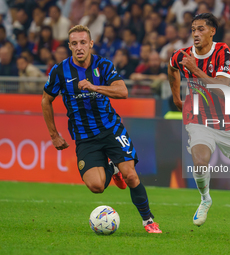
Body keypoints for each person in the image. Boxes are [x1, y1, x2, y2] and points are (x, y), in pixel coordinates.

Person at [41, 25, 162, 234]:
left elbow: (123, 91)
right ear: (69, 46)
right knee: (96, 187)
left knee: (131, 175)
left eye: (83, 42)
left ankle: (148, 220)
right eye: (74, 43)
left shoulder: (103, 65)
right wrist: (54, 134)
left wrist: (94, 87)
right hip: (85, 137)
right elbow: (46, 100)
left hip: (111, 129)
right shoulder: (59, 71)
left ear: (90, 44)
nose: (79, 47)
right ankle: (112, 168)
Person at [168, 13, 230, 238]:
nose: (196, 33)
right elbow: (171, 68)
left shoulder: (223, 52)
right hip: (198, 119)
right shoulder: (182, 55)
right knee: (199, 159)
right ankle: (205, 199)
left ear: (212, 31)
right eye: (193, 29)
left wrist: (194, 70)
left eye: (201, 29)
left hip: (227, 122)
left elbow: (223, 87)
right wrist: (176, 97)